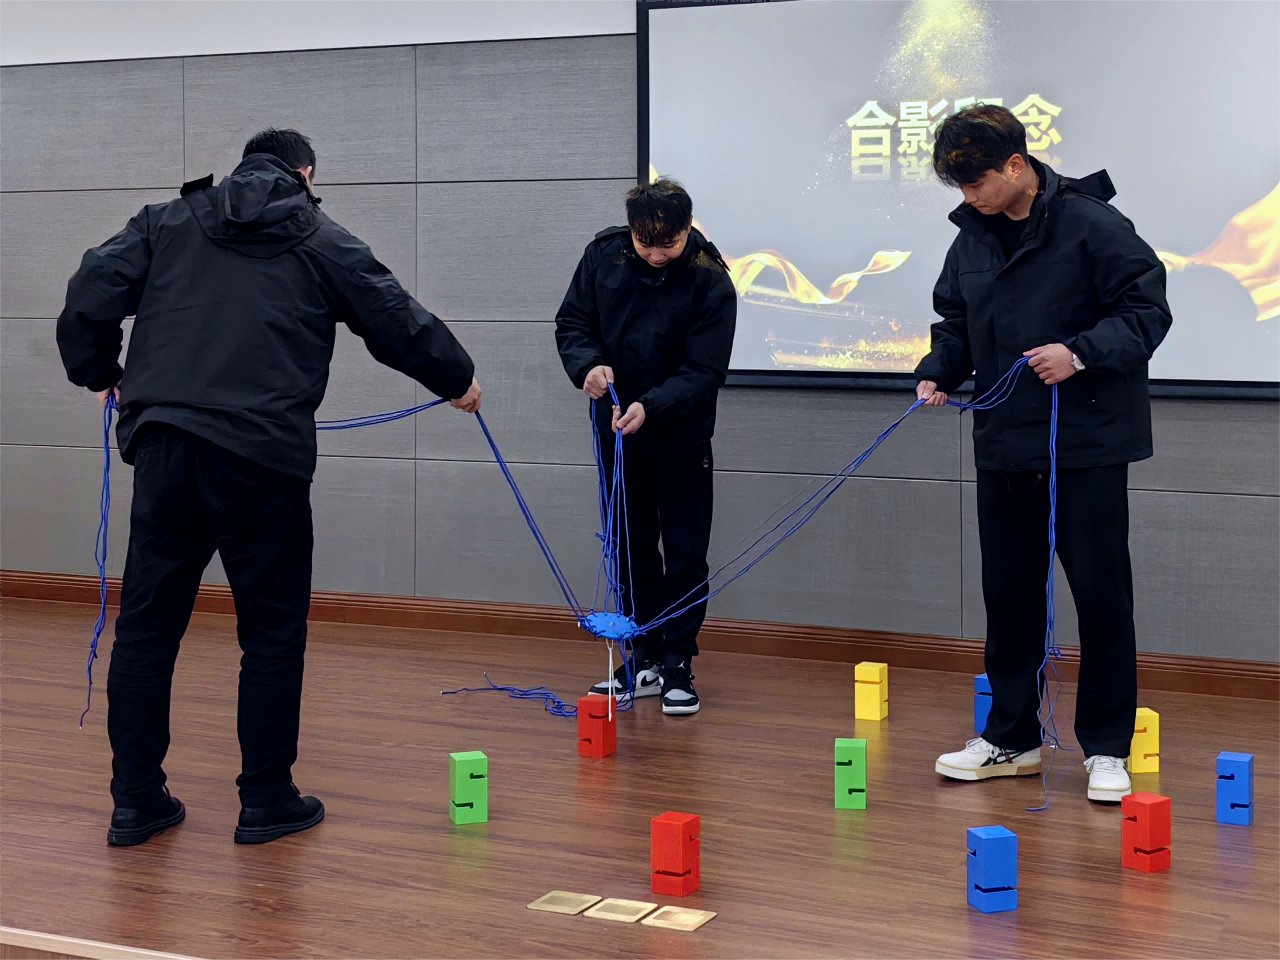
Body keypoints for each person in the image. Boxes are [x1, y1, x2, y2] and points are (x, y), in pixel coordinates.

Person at [57, 128, 480, 847]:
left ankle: (135, 803)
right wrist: (457, 378)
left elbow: (90, 287)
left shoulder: (167, 221)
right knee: (272, 634)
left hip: (165, 449)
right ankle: (265, 800)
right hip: (262, 461)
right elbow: (393, 316)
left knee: (148, 631)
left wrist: (99, 371)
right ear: (305, 174)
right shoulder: (321, 237)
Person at [915, 105, 1172, 802]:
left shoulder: (1093, 224)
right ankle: (1012, 738)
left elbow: (1147, 312)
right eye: (960, 187)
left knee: (1101, 598)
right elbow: (955, 321)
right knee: (1010, 597)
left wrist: (1080, 353)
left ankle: (1107, 749)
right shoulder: (971, 237)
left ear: (1016, 165)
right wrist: (940, 368)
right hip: (1004, 444)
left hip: (1086, 445)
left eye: (977, 183)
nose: (969, 197)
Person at [555, 180, 737, 716]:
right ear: (632, 231)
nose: (657, 255)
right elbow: (573, 323)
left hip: (679, 432)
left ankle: (677, 661)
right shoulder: (602, 256)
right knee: (629, 546)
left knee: (684, 552)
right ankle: (642, 655)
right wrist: (587, 366)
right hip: (615, 429)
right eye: (646, 244)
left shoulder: (710, 277)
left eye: (669, 245)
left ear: (687, 229)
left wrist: (651, 407)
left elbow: (704, 370)